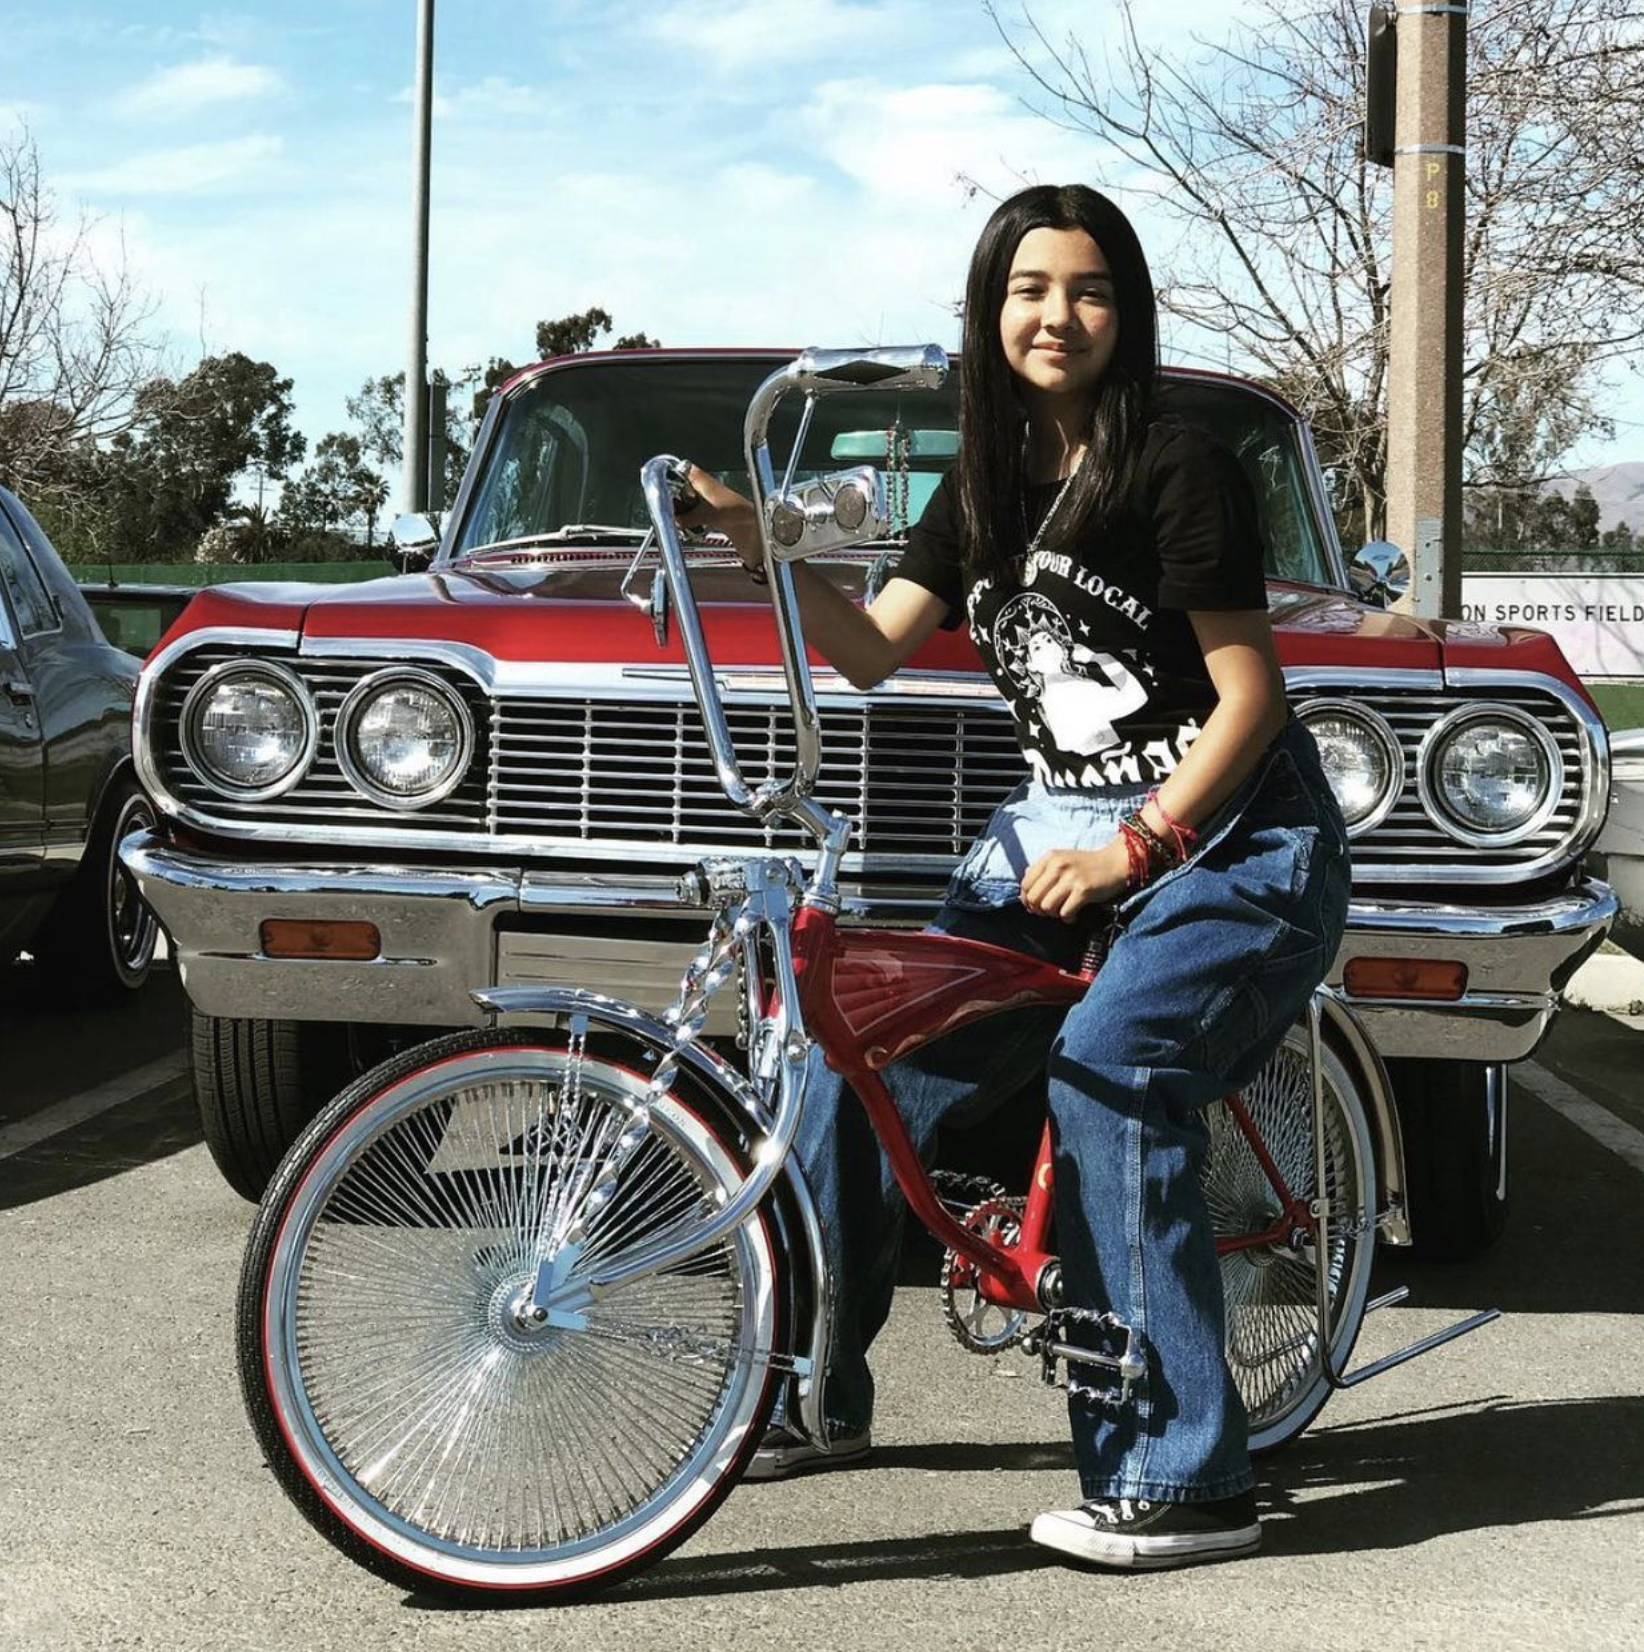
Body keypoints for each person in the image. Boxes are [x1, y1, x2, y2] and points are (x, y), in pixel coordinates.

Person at [678, 182, 1350, 1572]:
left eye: (1090, 288)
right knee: (870, 1055)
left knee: (1110, 1067)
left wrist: (1137, 847)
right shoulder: (978, 492)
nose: (1059, 314)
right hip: (1061, 841)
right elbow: (868, 653)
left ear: (1127, 312)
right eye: (1030, 289)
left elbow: (1252, 701)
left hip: (1231, 845)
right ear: (990, 314)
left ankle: (1190, 1475)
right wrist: (769, 552)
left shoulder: (1174, 464)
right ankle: (812, 1386)